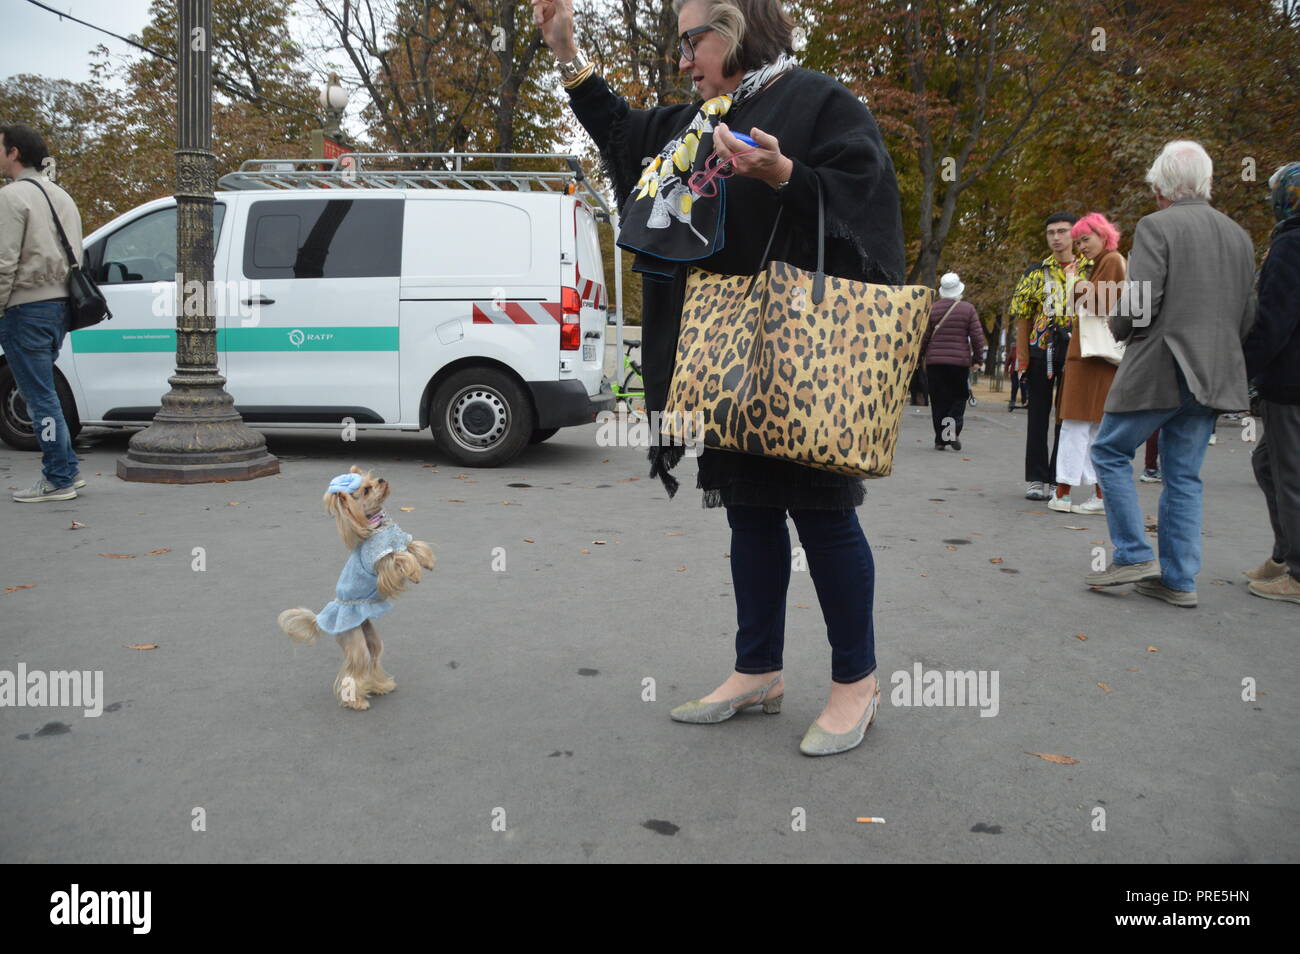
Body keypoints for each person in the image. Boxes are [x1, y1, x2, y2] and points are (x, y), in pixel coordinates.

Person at [533, 0, 906, 755]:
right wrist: (568, 52)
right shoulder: (698, 120)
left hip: (801, 354)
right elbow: (621, 135)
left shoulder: (818, 101)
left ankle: (855, 686)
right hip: (720, 352)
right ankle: (758, 670)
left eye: (690, 40)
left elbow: (866, 198)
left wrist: (786, 173)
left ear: (736, 28)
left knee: (823, 514)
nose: (682, 60)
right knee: (747, 509)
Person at [1085, 141, 1256, 607]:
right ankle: (1179, 580)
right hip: (1213, 373)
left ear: (1161, 186)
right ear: (1205, 183)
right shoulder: (1239, 236)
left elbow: (1140, 305)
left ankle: (1134, 553)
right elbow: (1248, 316)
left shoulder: (1156, 226)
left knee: (1109, 450)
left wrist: (1115, 327)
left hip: (1161, 366)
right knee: (1183, 476)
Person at [0, 123, 84, 503]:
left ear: (14, 152)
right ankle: (66, 470)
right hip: (59, 306)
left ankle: (58, 478)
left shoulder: (12, 197)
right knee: (45, 390)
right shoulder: (61, 196)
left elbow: (4, 262)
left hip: (25, 305)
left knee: (38, 396)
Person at [1241, 161, 1300, 604]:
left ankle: (1297, 574)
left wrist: (1242, 370)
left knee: (1288, 472)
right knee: (1268, 465)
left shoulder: (1290, 245)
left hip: (1290, 381)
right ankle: (1285, 554)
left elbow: (1273, 321)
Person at [1009, 212, 1091, 500]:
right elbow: (1023, 317)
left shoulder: (1089, 269)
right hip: (1041, 348)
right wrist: (1022, 359)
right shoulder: (1034, 273)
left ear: (1075, 234)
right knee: (1038, 415)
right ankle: (1036, 479)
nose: (1056, 238)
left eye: (1062, 232)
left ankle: (1060, 478)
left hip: (1077, 350)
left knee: (1067, 417)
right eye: (1051, 232)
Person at [1049, 213, 1125, 515]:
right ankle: (1097, 494)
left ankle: (1064, 492)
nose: (1081, 245)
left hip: (1090, 355)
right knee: (1092, 426)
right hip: (1095, 355)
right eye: (1078, 240)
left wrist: (1074, 281)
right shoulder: (1110, 260)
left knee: (1075, 424)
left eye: (1085, 238)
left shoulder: (1112, 261)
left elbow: (1104, 302)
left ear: (1102, 234)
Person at [921, 271, 985, 450]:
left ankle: (940, 439)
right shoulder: (968, 309)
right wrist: (978, 359)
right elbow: (977, 337)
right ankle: (951, 431)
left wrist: (920, 357)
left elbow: (924, 337)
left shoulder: (932, 309)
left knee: (939, 401)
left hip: (935, 364)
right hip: (959, 363)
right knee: (958, 398)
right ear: (959, 290)